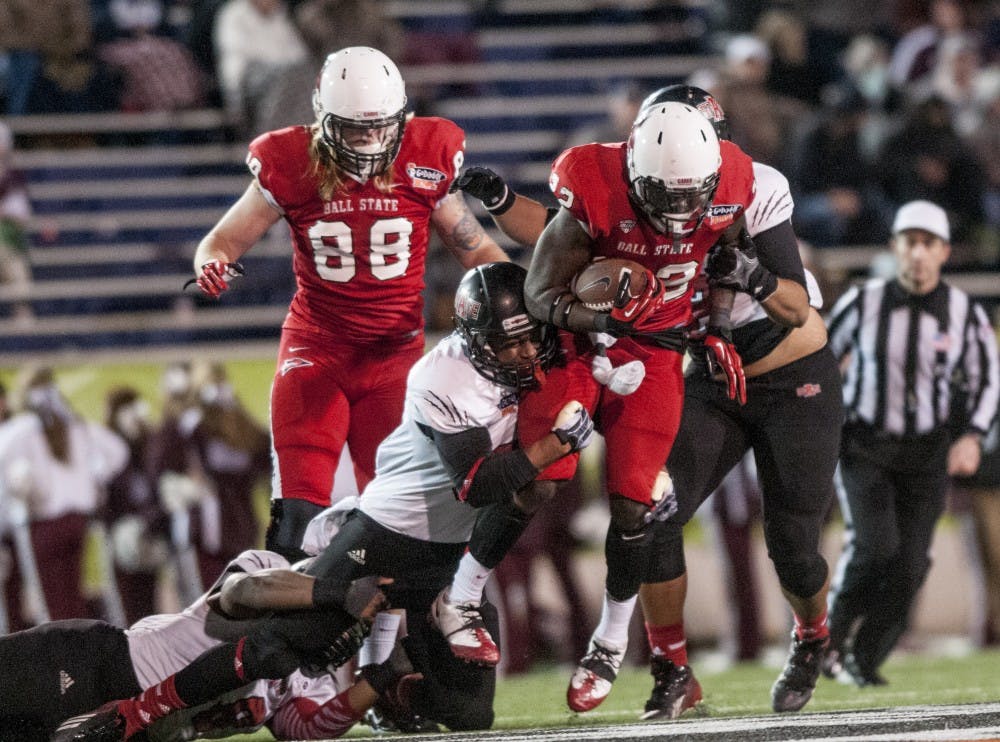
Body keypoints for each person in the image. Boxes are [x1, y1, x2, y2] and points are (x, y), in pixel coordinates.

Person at [53, 262, 592, 741]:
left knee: (471, 713)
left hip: (449, 552)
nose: (525, 354)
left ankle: (393, 697)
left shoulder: (538, 355)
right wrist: (557, 443)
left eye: (531, 340)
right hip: (386, 536)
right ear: (474, 340)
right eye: (509, 345)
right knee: (278, 649)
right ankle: (133, 713)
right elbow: (478, 484)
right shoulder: (443, 375)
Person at [450, 84, 843, 718]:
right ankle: (672, 668)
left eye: (698, 191)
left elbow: (792, 306)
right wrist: (502, 204)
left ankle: (810, 636)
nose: (684, 207)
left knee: (795, 549)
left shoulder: (751, 186)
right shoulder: (614, 186)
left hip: (785, 372)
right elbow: (563, 240)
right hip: (700, 371)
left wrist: (745, 284)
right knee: (651, 510)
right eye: (668, 192)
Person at [189, 46, 510, 562]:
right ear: (323, 120)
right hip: (317, 352)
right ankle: (282, 640)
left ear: (400, 118)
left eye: (379, 127)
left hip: (394, 359)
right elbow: (221, 239)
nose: (368, 142)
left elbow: (478, 252)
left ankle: (386, 642)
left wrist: (521, 300)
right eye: (355, 130)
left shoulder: (424, 161)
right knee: (295, 522)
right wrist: (212, 263)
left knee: (394, 527)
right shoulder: (291, 162)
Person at [824, 199, 999, 686]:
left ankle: (865, 655)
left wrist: (973, 436)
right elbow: (820, 363)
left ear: (944, 252)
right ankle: (827, 642)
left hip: (927, 450)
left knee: (912, 563)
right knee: (873, 547)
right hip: (865, 444)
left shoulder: (965, 312)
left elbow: (987, 380)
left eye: (928, 244)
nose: (918, 254)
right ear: (895, 248)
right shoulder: (863, 301)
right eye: (910, 243)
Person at [1, 544, 388, 742]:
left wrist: (386, 676)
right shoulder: (269, 571)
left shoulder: (306, 675)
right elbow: (245, 591)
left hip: (132, 731)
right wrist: (338, 595)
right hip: (92, 666)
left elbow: (306, 729)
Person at [0, 367, 129, 624]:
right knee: (72, 595)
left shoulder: (25, 428)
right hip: (78, 522)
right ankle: (77, 653)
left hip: (45, 525)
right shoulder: (75, 424)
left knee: (53, 600)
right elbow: (118, 451)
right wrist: (95, 479)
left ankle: (62, 658)